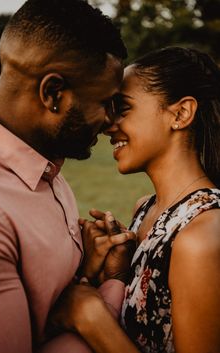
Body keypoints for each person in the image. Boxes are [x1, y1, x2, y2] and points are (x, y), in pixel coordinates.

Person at [0, 0, 135, 352]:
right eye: (106, 102)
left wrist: (88, 270)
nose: (112, 122)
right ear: (54, 94)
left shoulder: (44, 165)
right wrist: (106, 295)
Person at [52, 46, 220, 353]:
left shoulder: (201, 236)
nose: (107, 125)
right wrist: (116, 273)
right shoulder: (145, 209)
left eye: (123, 108)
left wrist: (92, 319)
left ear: (180, 113)